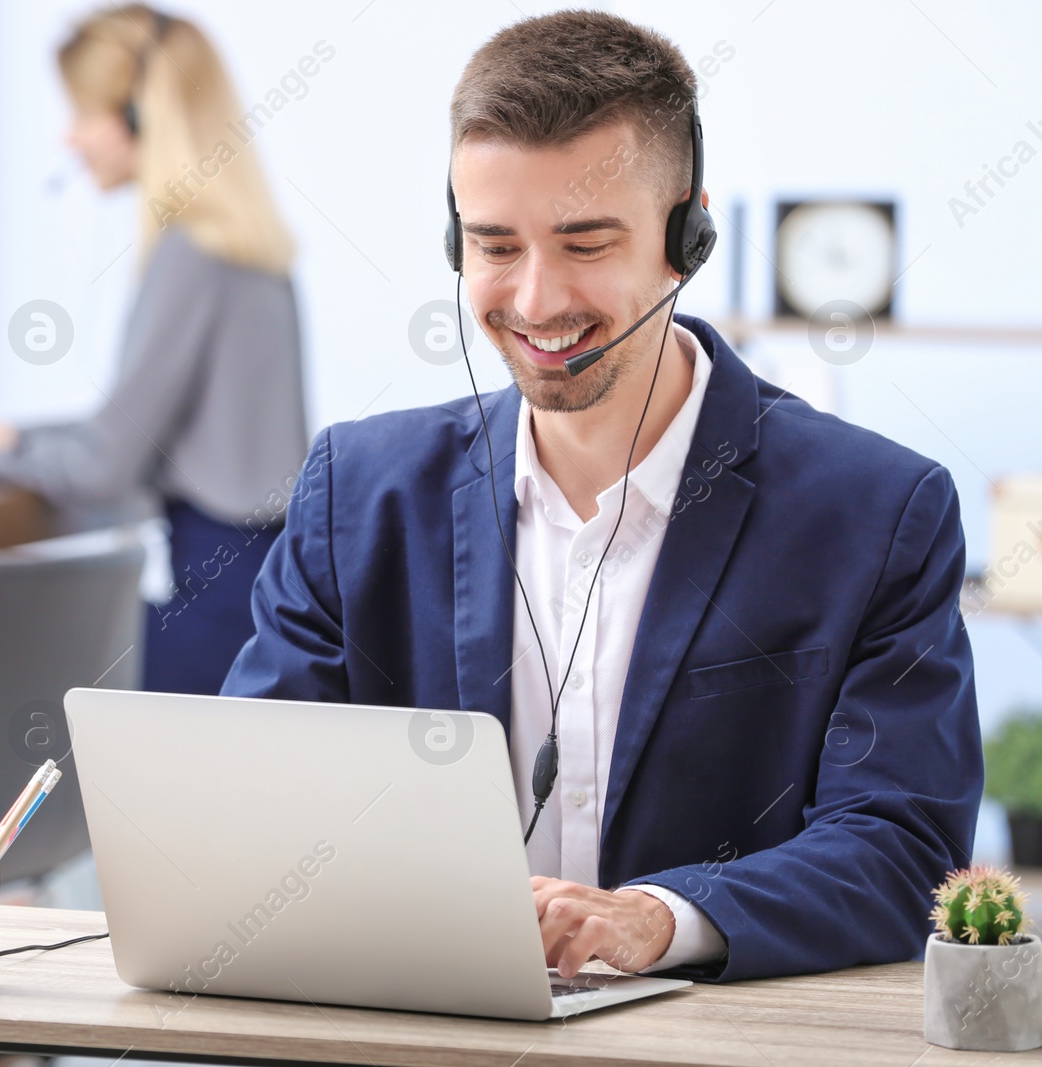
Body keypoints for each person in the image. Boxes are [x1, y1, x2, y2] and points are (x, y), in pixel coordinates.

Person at [223, 10, 981, 983]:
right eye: (495, 246)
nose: (535, 300)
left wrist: (656, 919)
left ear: (685, 234)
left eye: (583, 243)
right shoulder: (356, 493)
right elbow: (252, 805)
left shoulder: (877, 513)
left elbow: (900, 846)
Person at [0, 4, 308, 697]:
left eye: (81, 114)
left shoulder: (191, 254)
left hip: (217, 618)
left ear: (137, 117)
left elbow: (107, 463)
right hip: (255, 598)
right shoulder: (246, 252)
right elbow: (130, 425)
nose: (69, 138)